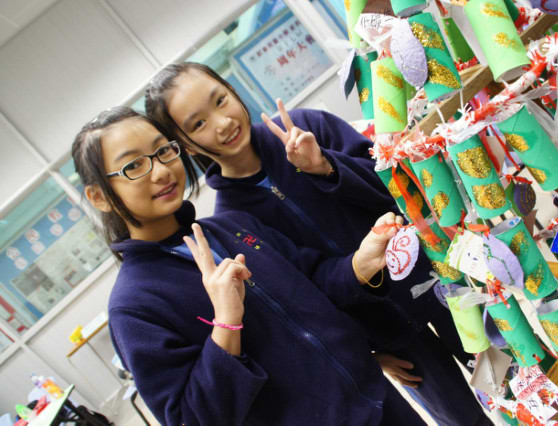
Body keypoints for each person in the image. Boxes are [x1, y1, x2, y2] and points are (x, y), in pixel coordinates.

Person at [145, 62, 491, 425]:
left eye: (220, 100)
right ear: (185, 144)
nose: (222, 123)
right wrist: (366, 354)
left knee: (512, 374)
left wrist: (326, 167)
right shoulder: (233, 219)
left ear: (231, 90)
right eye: (198, 124)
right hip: (390, 337)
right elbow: (303, 294)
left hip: (441, 281)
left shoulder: (308, 127)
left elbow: (397, 187)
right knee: (465, 420)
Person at [73, 106, 426, 425]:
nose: (162, 171)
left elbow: (314, 281)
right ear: (99, 196)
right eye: (134, 165)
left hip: (378, 402)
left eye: (163, 151)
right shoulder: (134, 308)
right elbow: (189, 417)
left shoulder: (231, 226)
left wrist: (361, 262)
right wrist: (226, 322)